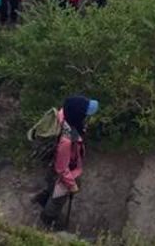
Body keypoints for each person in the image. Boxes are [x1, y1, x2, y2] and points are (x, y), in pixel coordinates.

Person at [40, 95, 99, 230]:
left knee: (52, 188)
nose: (87, 117)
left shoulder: (64, 117)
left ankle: (44, 198)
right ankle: (48, 218)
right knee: (58, 198)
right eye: (85, 115)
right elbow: (61, 169)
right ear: (77, 117)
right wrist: (72, 185)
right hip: (61, 173)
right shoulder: (66, 142)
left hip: (55, 168)